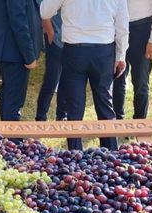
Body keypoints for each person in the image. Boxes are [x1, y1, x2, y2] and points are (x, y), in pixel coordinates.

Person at [41, 0, 129, 151]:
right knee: (104, 104)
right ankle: (111, 154)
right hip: (103, 51)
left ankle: (75, 156)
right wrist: (121, 55)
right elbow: (122, 26)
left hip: (75, 51)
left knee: (74, 107)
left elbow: (45, 11)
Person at [113, 0, 152, 120]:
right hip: (116, 27)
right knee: (117, 78)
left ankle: (140, 122)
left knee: (141, 82)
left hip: (142, 29)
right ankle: (117, 122)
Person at [0, 0, 43, 124]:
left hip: (12, 50)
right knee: (13, 100)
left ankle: (7, 136)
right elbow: (18, 20)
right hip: (15, 51)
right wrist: (29, 55)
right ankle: (12, 139)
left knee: (9, 95)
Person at [35, 11, 67, 122]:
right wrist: (51, 34)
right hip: (56, 42)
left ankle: (62, 115)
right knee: (51, 81)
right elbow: (44, 12)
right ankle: (41, 117)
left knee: (66, 80)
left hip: (70, 42)